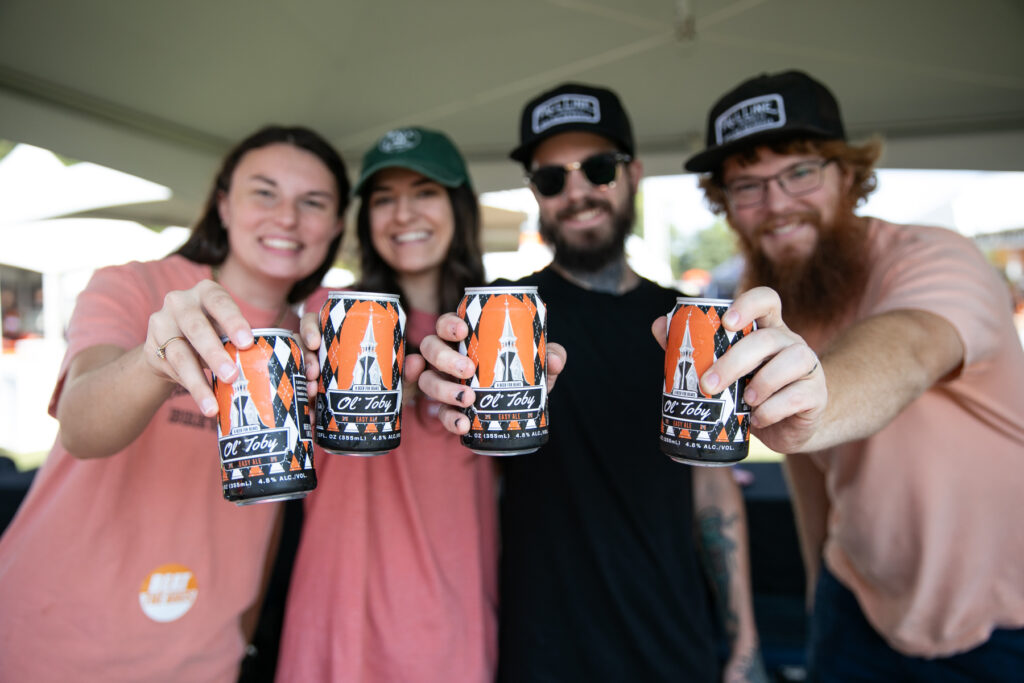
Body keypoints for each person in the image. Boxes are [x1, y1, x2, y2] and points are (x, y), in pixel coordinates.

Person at [417, 83, 828, 682]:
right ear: (536, 193)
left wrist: (744, 650)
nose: (577, 192)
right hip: (544, 649)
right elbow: (458, 437)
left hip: (673, 644)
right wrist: (436, 387)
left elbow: (712, 492)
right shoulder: (507, 317)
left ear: (633, 173)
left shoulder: (690, 322)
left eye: (599, 170)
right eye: (552, 179)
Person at [685, 69, 1024, 680]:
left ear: (848, 173)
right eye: (747, 186)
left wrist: (819, 392)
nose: (777, 203)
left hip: (1002, 627)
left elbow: (913, 346)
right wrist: (819, 594)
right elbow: (809, 470)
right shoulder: (762, 297)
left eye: (800, 172)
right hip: (852, 605)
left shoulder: (935, 255)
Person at [0, 125, 349, 681]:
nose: (287, 218)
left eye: (313, 202)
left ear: (334, 226)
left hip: (204, 652)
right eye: (264, 192)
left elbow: (281, 502)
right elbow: (82, 427)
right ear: (223, 205)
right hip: (53, 638)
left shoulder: (325, 328)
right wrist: (154, 362)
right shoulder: (136, 287)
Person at [276, 126, 505, 682]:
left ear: (459, 208)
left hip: (454, 622)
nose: (402, 215)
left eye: (424, 191)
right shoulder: (328, 314)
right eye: (383, 199)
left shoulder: (497, 325)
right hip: (337, 616)